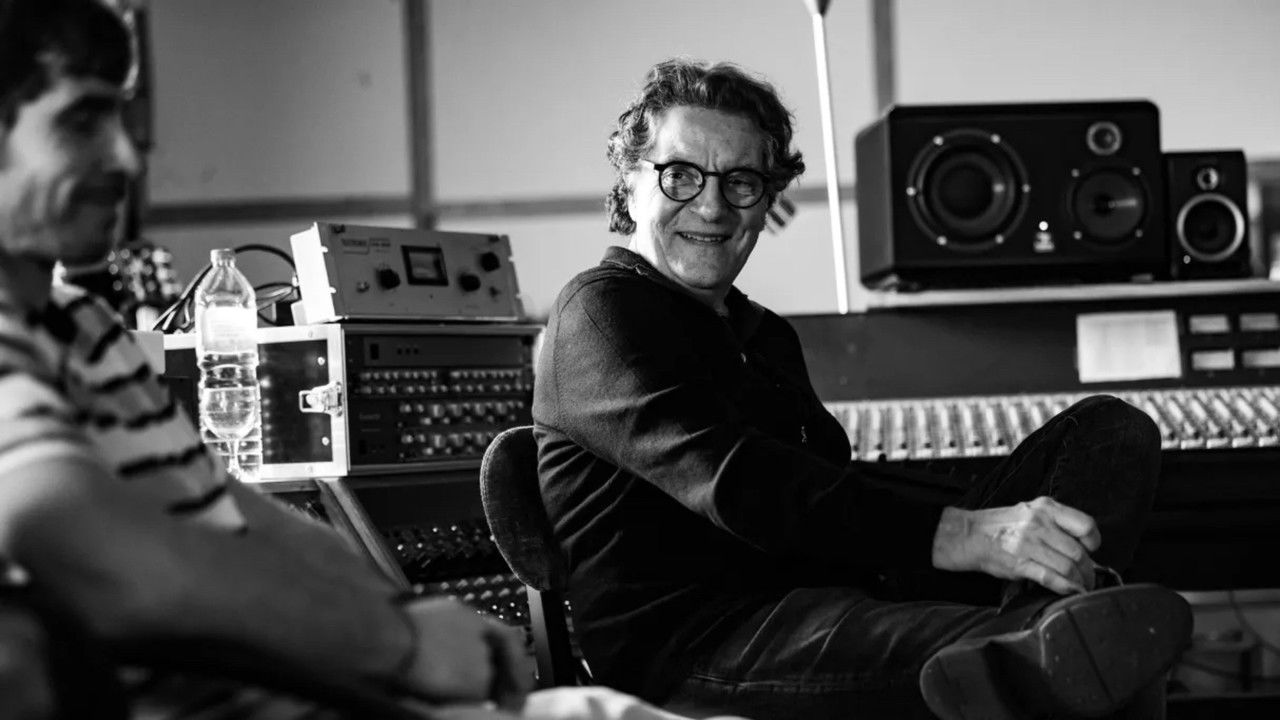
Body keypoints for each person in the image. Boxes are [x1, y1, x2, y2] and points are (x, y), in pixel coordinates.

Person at [0, 4, 755, 719]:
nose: (124, 156)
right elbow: (85, 546)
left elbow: (241, 516)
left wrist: (402, 609)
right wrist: (398, 643)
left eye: (121, 117)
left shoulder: (85, 329)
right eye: (81, 120)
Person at [533, 58, 1193, 720]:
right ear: (631, 185)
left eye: (741, 181)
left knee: (1107, 431)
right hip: (704, 643)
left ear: (765, 201)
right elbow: (735, 480)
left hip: (828, 594)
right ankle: (1051, 641)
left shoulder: (762, 335)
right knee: (1076, 660)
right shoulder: (600, 311)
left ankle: (1046, 628)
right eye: (680, 175)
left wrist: (998, 523)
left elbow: (828, 483)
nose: (711, 205)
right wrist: (965, 532)